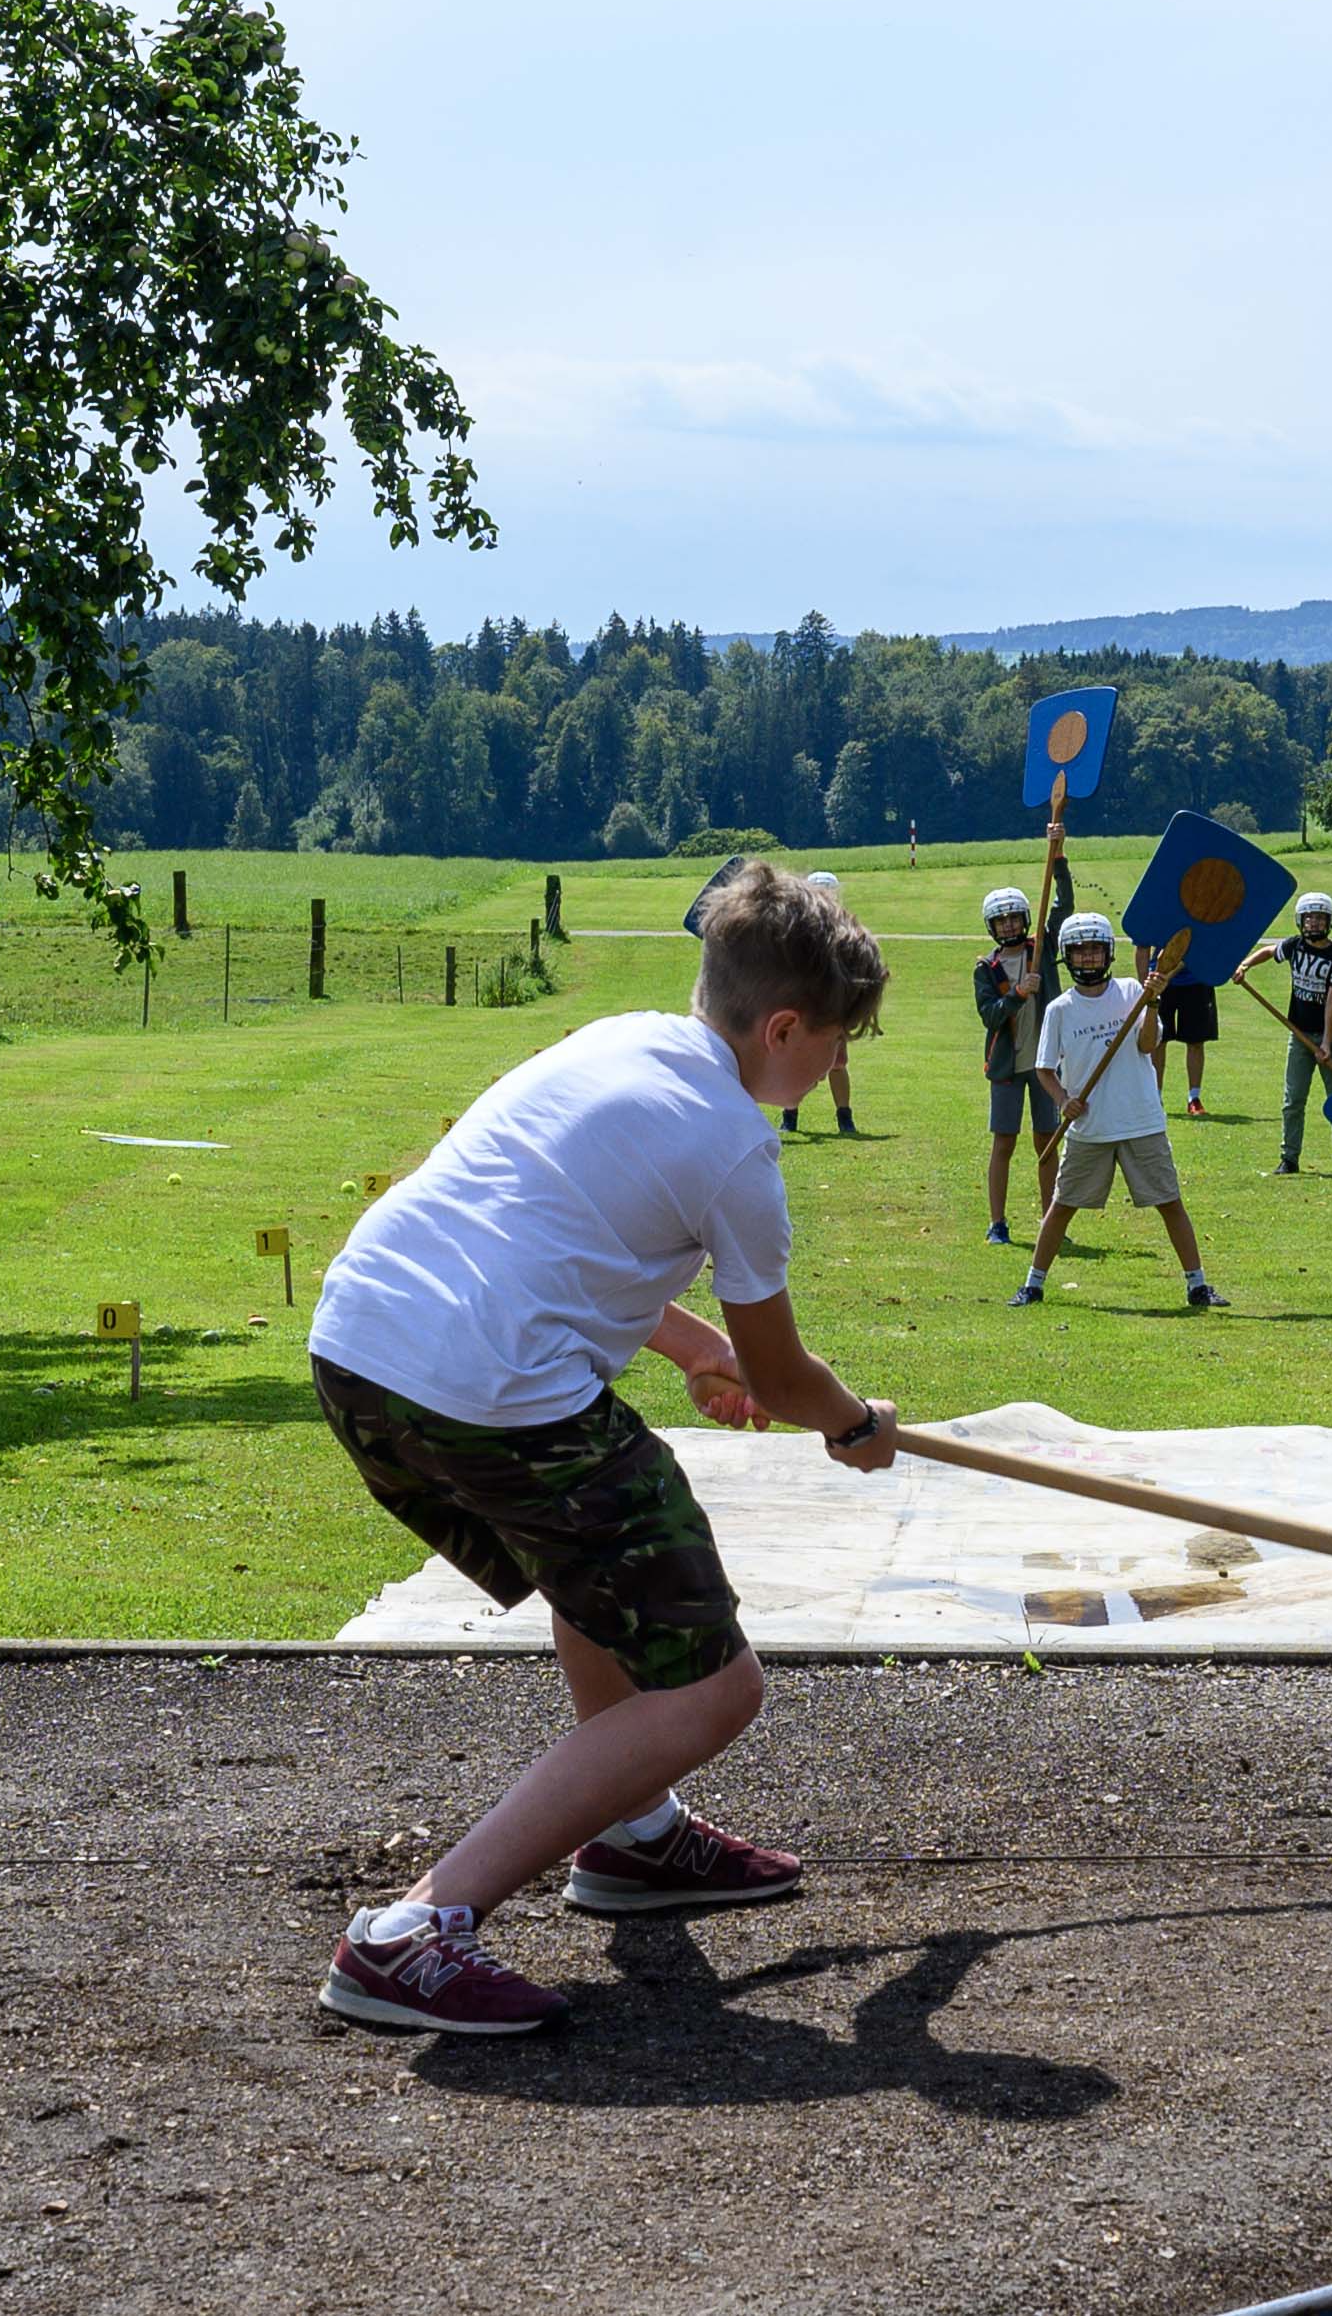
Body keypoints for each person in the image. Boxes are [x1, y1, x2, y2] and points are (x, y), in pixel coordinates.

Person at [303, 859, 899, 2037]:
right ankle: (412, 1929)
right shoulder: (737, 1146)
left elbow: (543, 1223)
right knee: (715, 1687)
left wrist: (682, 1347)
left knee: (602, 1559)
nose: (835, 1067)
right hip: (487, 1388)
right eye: (834, 1044)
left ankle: (632, 1837)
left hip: (362, 1348)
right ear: (782, 1026)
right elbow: (781, 1377)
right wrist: (851, 1422)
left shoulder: (621, 1039)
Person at [1014, 912, 1225, 1310]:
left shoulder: (1133, 991)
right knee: (1061, 1207)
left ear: (1108, 953)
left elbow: (1148, 1045)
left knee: (1169, 1201)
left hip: (1140, 1120)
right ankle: (1033, 1285)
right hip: (1090, 1128)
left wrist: (1152, 1002)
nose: (1088, 958)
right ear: (1067, 957)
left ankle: (1198, 1285)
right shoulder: (1060, 1009)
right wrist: (1063, 1101)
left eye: (1095, 950)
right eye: (1079, 951)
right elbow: (1044, 1069)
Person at [1248, 889, 1332, 1175]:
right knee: (1293, 1099)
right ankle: (1289, 1158)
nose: (1313, 924)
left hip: (1329, 1036)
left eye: (1319, 919)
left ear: (1329, 922)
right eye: (1308, 918)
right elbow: (1270, 951)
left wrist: (1326, 1044)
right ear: (1300, 921)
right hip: (1298, 1034)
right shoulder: (1294, 946)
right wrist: (1244, 965)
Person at [975, 883, 1060, 1245]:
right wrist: (1018, 993)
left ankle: (1050, 1220)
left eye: (1014, 919)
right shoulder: (987, 968)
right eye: (1001, 921)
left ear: (1025, 919)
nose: (1009, 926)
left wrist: (1059, 857)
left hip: (1044, 1066)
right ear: (991, 927)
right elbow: (990, 1016)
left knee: (1046, 1142)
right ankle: (998, 1223)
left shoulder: (1041, 949)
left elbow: (1064, 904)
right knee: (1004, 1143)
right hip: (1006, 1069)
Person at [776, 869, 868, 1138]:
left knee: (837, 1063)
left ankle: (845, 1117)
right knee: (794, 1061)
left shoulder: (846, 932)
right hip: (802, 1005)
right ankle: (790, 1115)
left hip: (832, 1005)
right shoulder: (796, 932)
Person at [1161, 954, 1222, 1118]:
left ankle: (1194, 1098)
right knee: (1158, 1040)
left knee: (1196, 1041)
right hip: (1160, 978)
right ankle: (1155, 1097)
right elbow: (1142, 947)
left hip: (1197, 980)